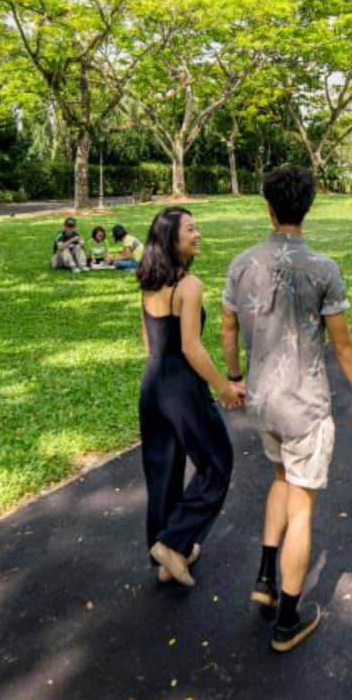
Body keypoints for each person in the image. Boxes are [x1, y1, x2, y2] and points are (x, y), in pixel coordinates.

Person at [221, 166, 352, 654]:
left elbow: (227, 327)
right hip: (305, 403)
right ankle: (287, 620)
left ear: (268, 206)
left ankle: (266, 578)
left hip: (263, 402)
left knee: (281, 480)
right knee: (303, 504)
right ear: (308, 206)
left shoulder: (241, 263)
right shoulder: (324, 268)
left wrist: (233, 378)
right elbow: (343, 343)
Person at [136, 207, 244, 588]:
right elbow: (192, 347)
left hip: (152, 383)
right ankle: (174, 541)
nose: (198, 233)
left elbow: (149, 341)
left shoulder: (149, 283)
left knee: (162, 471)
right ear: (172, 238)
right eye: (190, 229)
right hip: (182, 386)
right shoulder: (190, 285)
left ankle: (168, 554)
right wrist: (224, 386)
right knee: (217, 462)